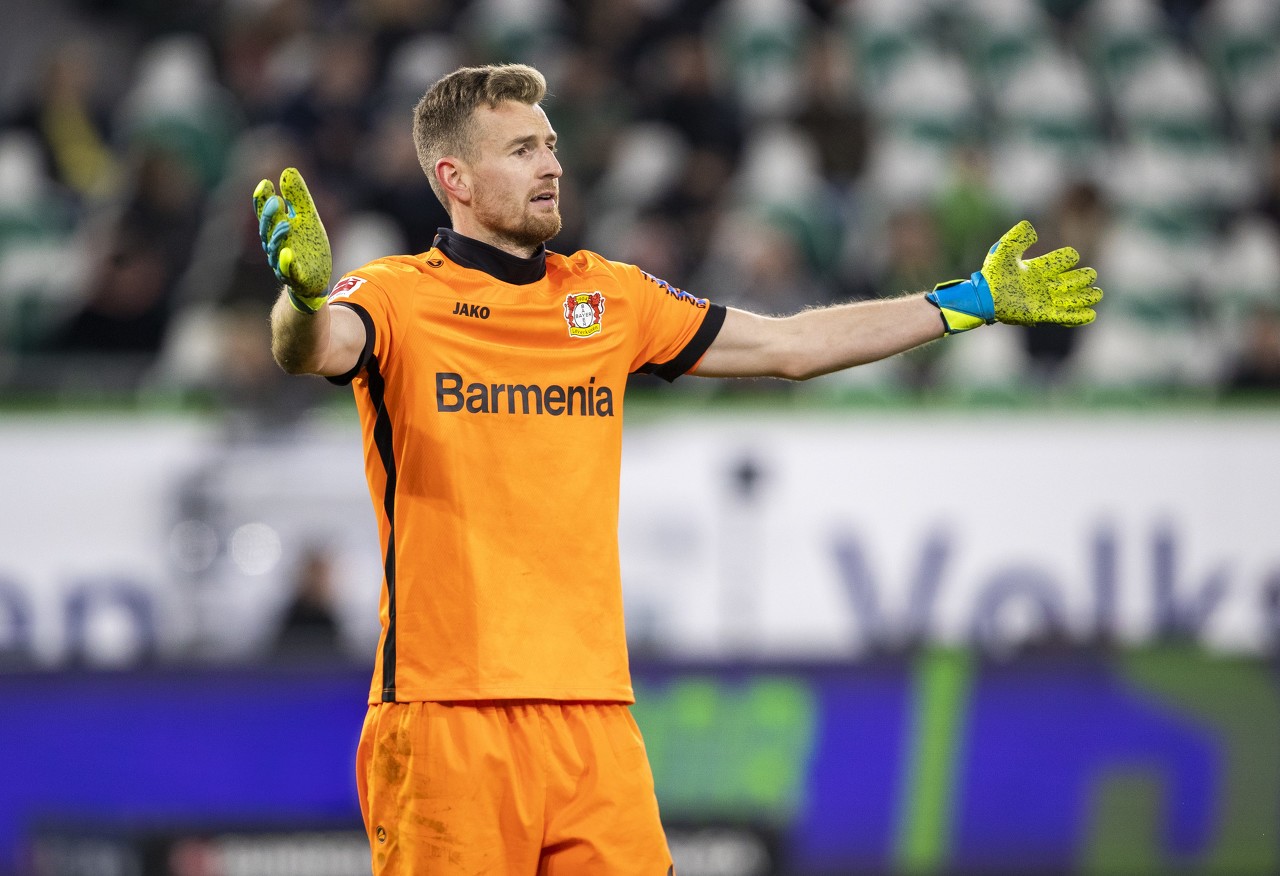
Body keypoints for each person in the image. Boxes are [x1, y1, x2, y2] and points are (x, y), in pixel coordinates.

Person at [252, 63, 1101, 875]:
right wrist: (302, 298)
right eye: (522, 150)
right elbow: (314, 347)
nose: (551, 165)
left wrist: (962, 303)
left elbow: (788, 346)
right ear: (456, 179)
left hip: (594, 716)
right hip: (448, 715)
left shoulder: (610, 299)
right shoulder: (397, 295)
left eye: (551, 145)